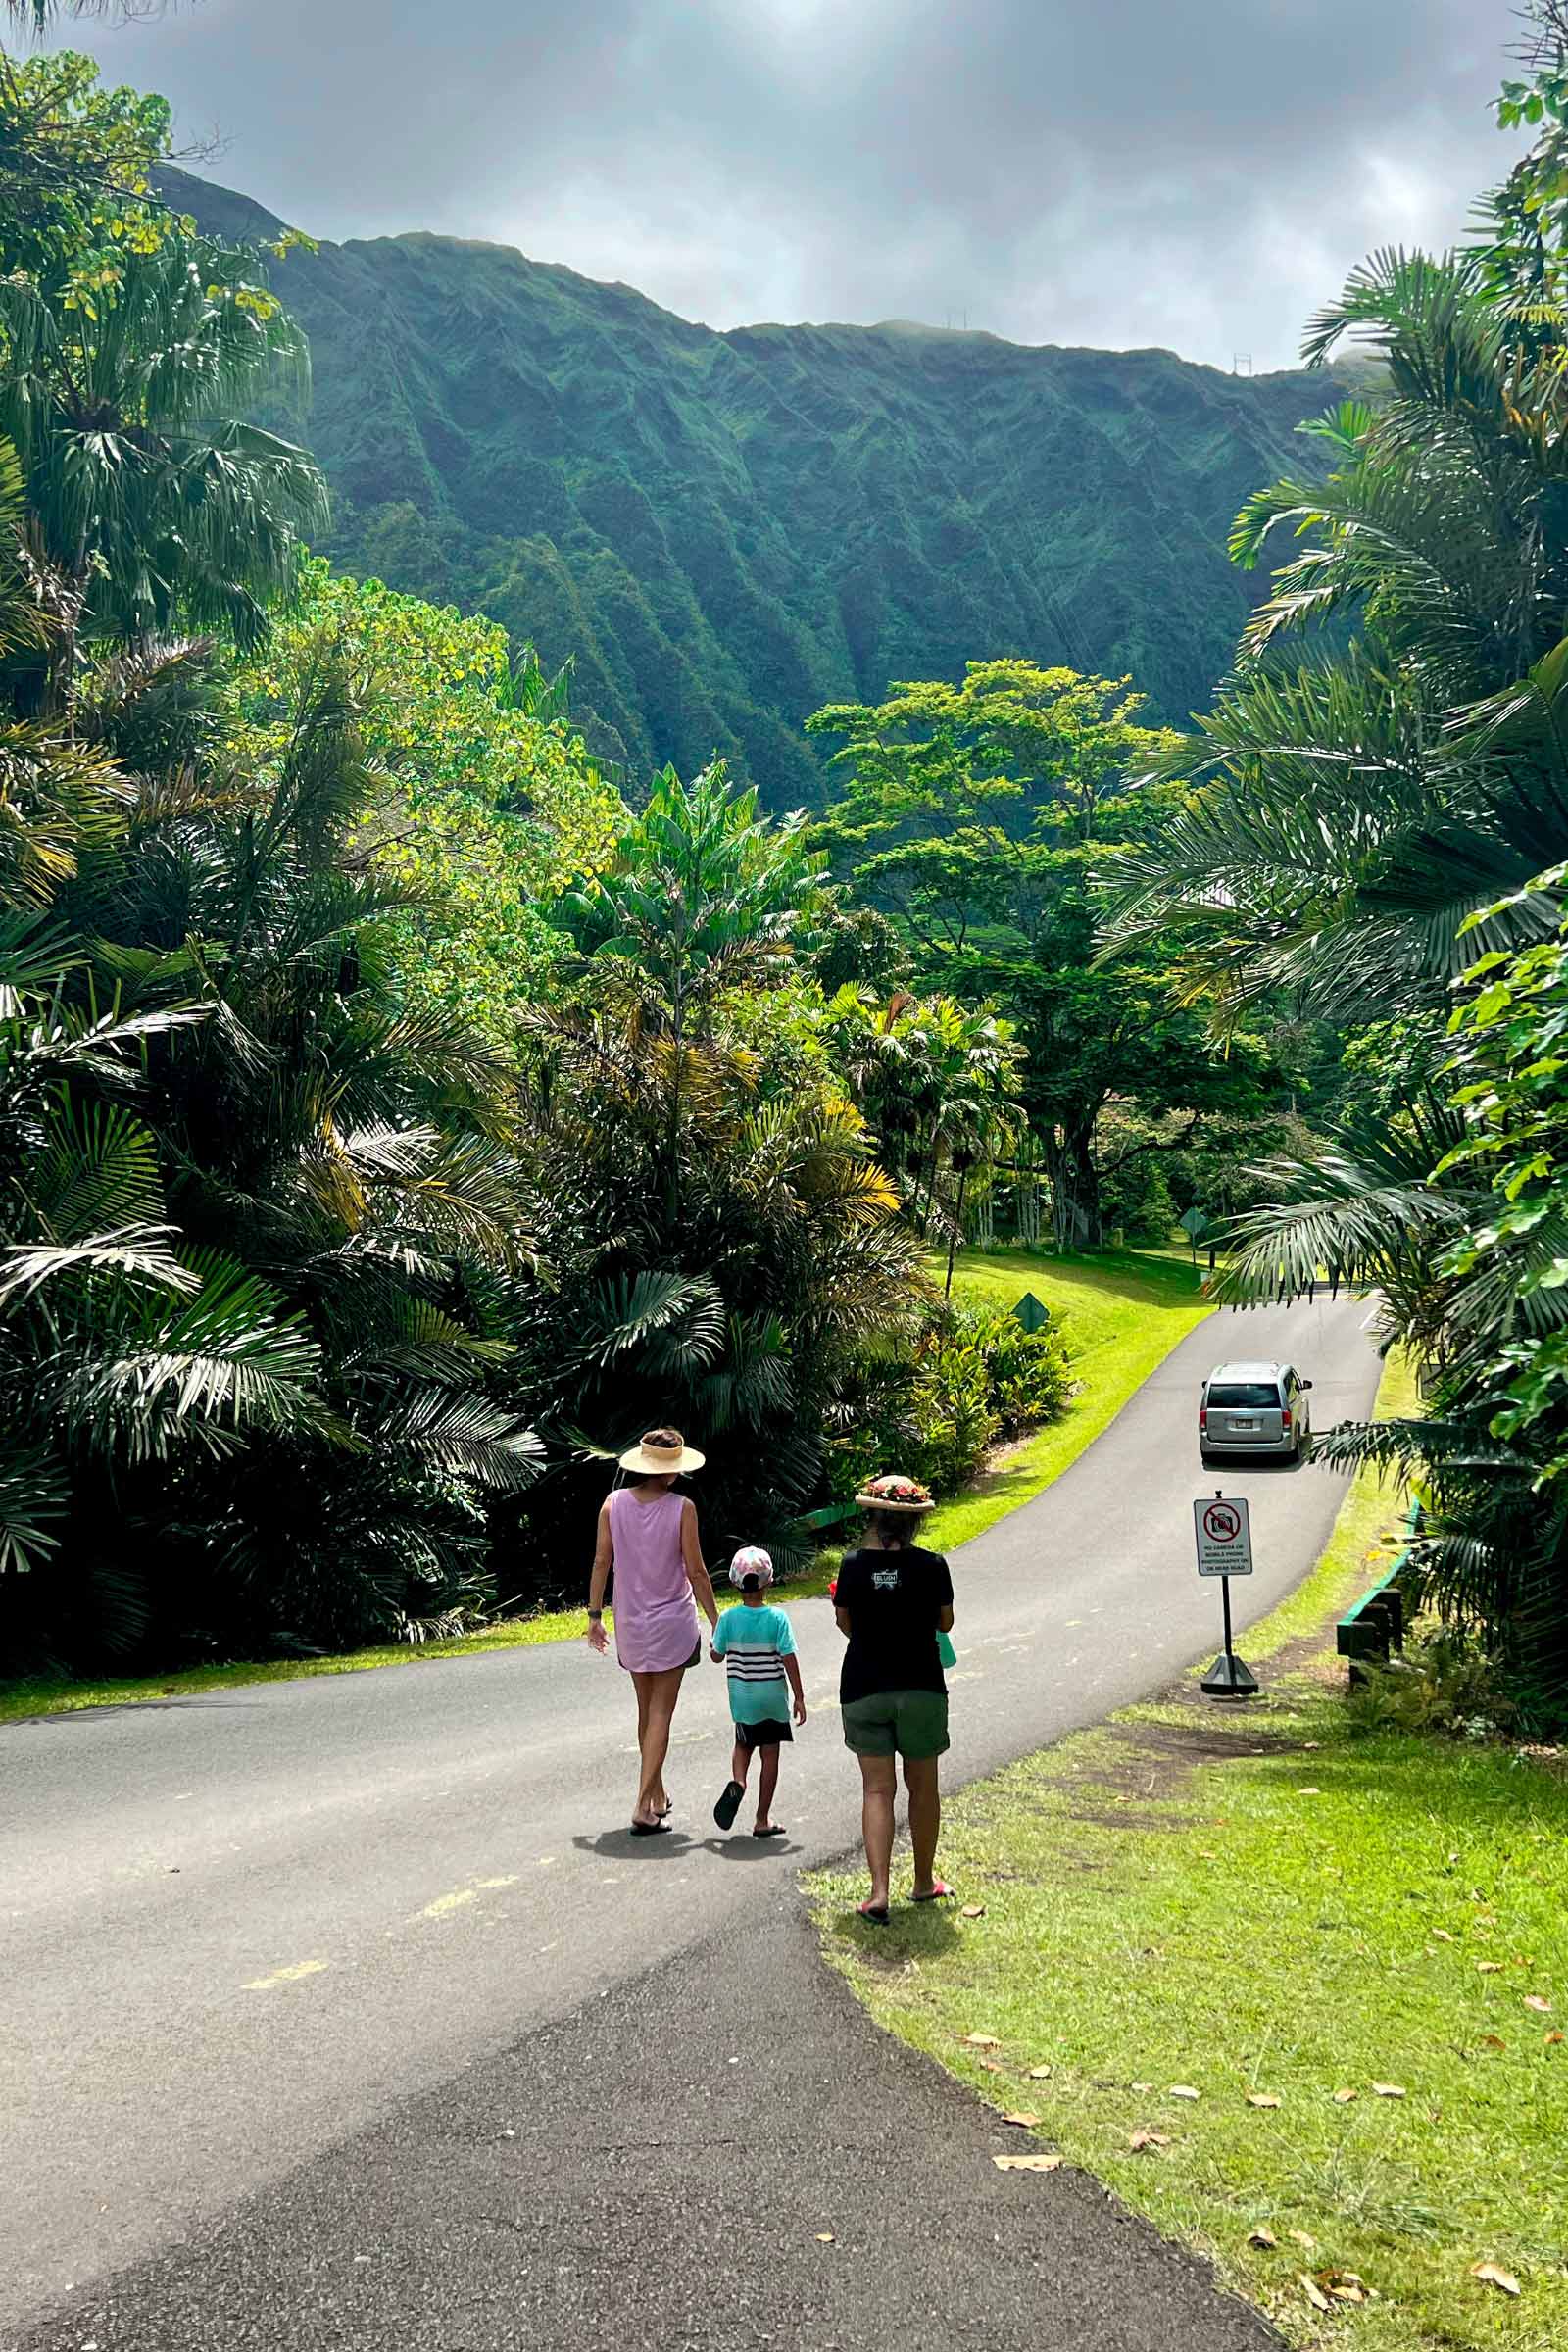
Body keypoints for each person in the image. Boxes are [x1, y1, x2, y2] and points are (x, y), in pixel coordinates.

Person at [833, 1473, 956, 1924]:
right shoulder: (933, 1565)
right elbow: (945, 1623)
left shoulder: (851, 1565)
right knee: (923, 1787)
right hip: (921, 1686)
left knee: (877, 1789)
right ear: (913, 1525)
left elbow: (845, 1623)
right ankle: (923, 1882)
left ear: (874, 1518)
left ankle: (878, 1893)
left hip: (864, 1686)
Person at [586, 1427, 718, 1835]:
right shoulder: (683, 1508)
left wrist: (594, 1615)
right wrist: (717, 1620)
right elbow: (695, 1571)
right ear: (672, 1471)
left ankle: (657, 1794)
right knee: (661, 1714)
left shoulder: (612, 1505)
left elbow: (600, 1563)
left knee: (646, 1713)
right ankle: (643, 1804)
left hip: (631, 1621)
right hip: (672, 1624)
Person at [710, 1546, 806, 1839]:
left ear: (735, 1584)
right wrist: (799, 1696)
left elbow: (716, 1656)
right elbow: (789, 1657)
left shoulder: (728, 1619)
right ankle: (762, 1819)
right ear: (769, 1582)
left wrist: (714, 1646)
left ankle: (739, 1781)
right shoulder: (778, 1618)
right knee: (770, 1755)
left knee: (742, 1746)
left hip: (744, 1700)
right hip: (773, 1700)